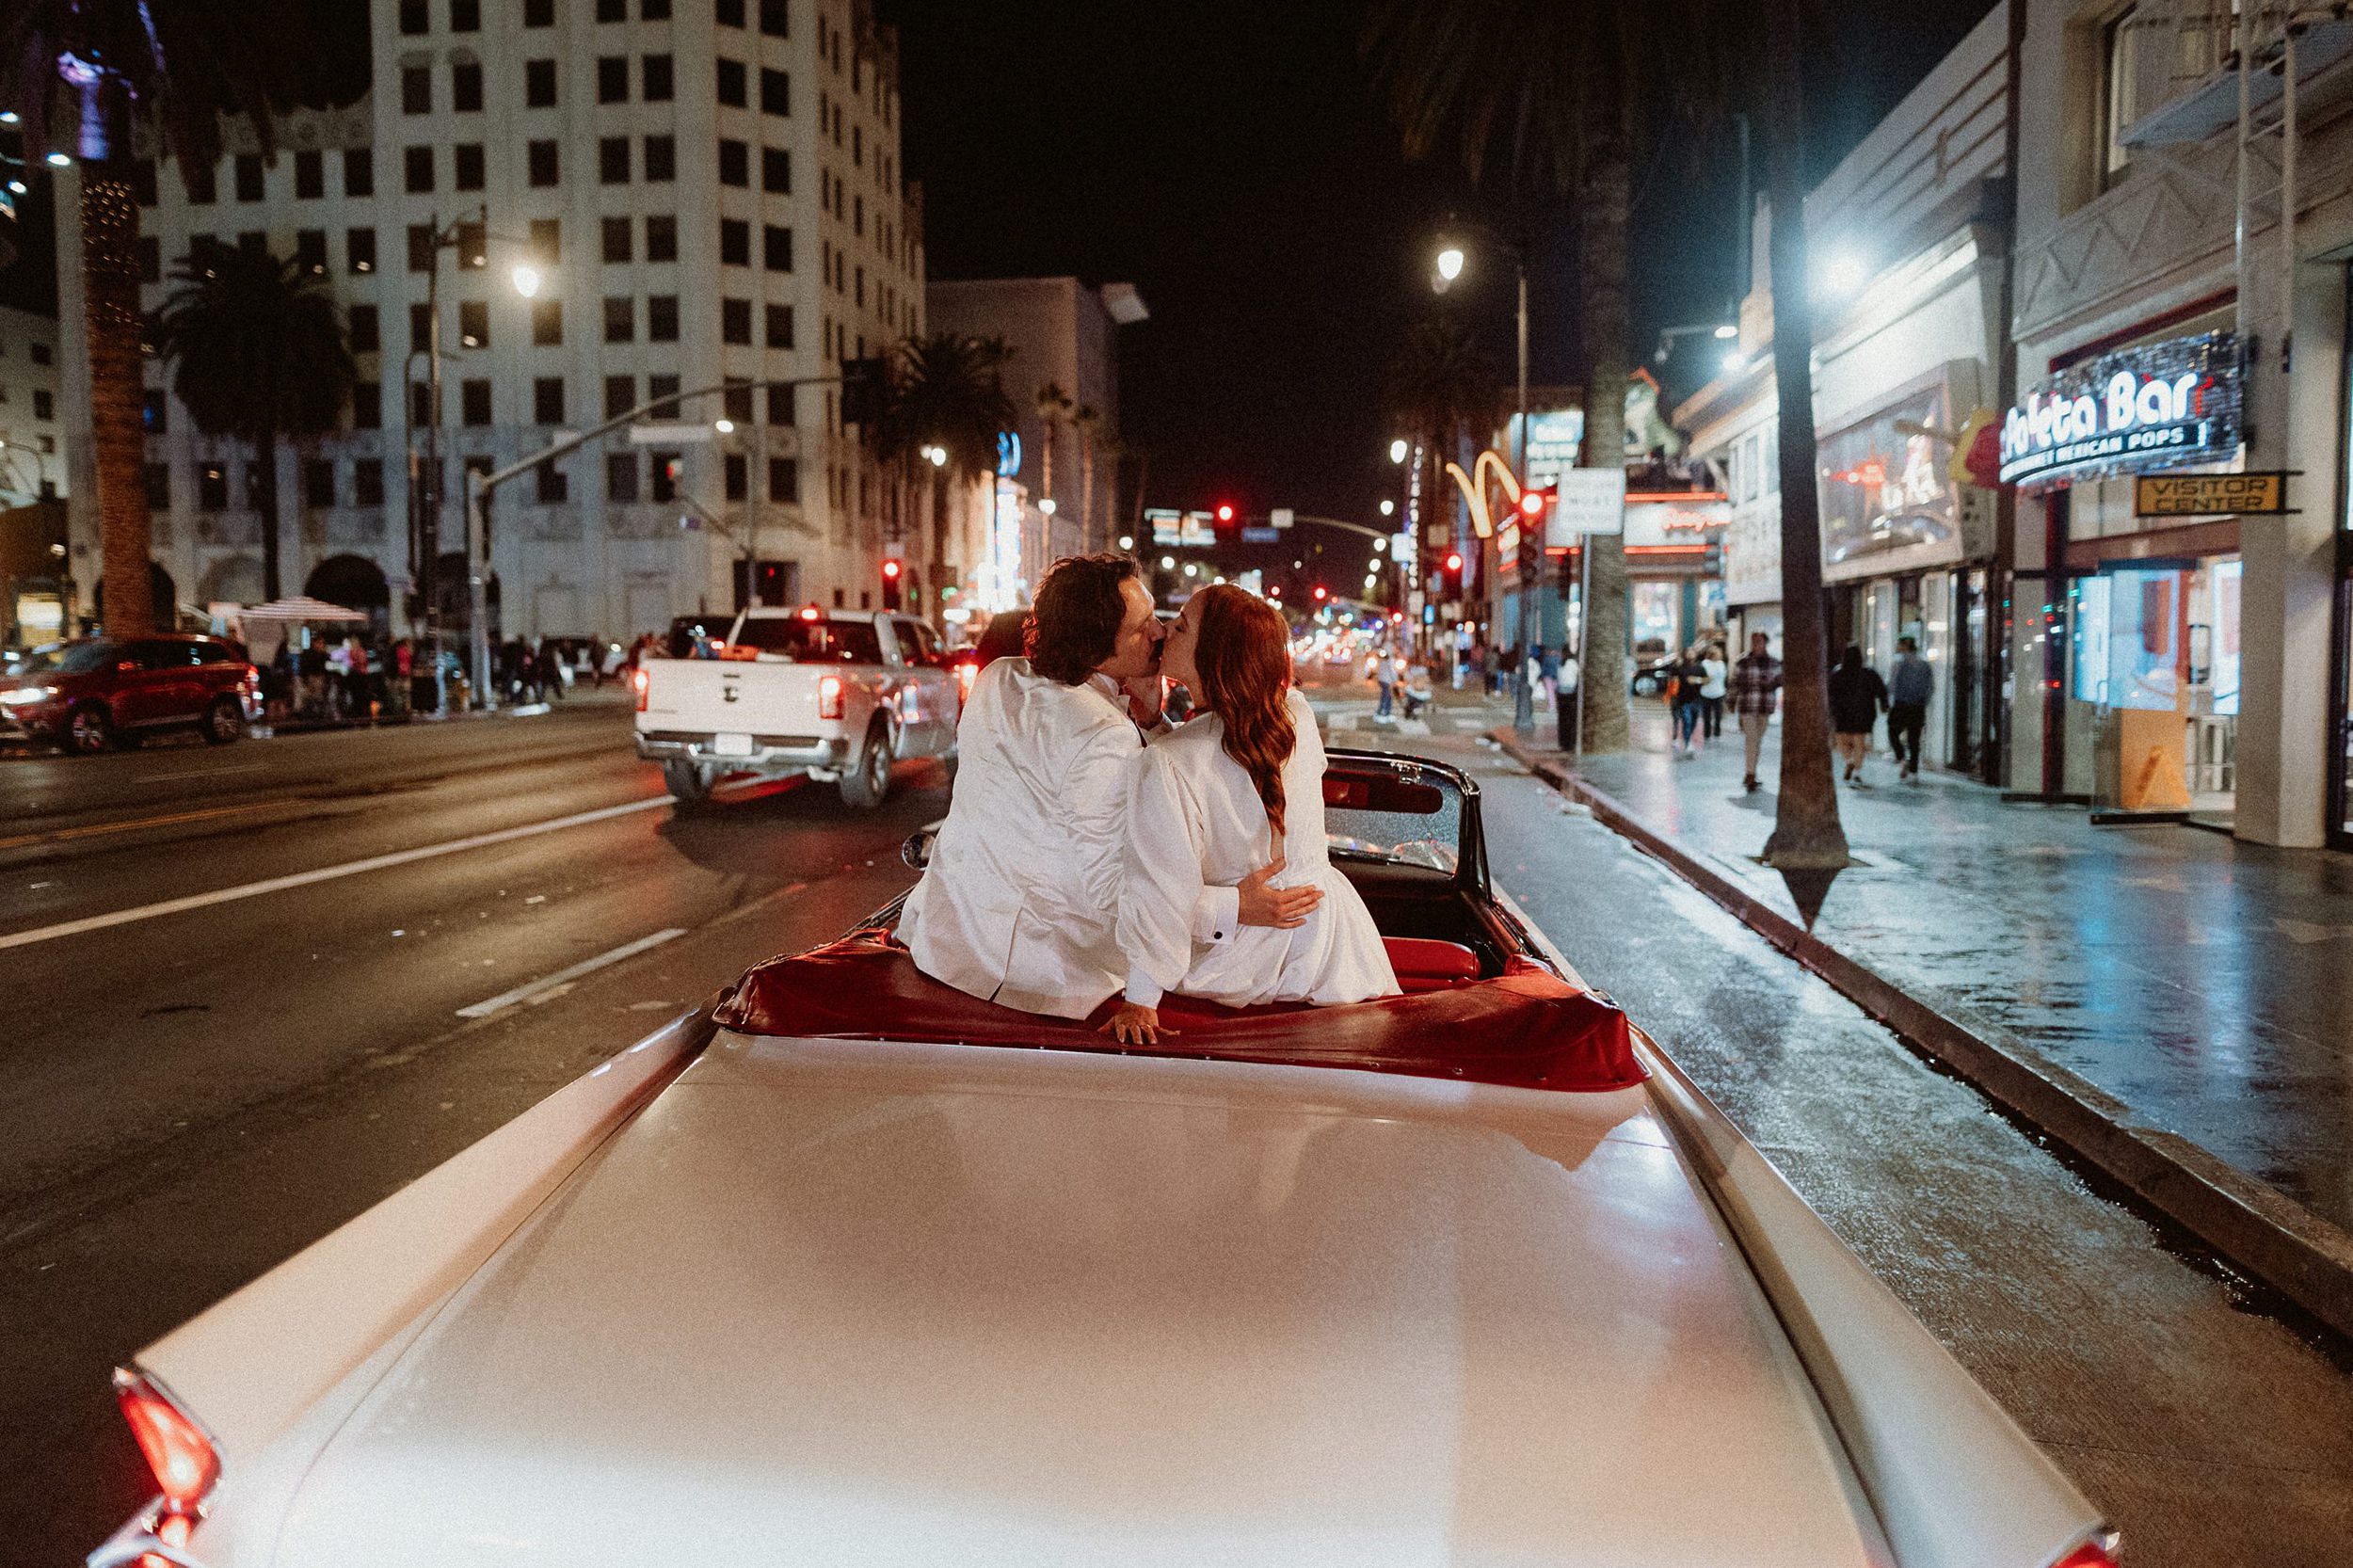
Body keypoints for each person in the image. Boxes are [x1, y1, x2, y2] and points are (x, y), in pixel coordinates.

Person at [900, 554, 1318, 1019]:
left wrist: (1147, 717)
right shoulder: (1102, 734)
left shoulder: (997, 677)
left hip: (943, 939)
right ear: (1097, 647)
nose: (1159, 632)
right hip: (1030, 976)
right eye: (1142, 629)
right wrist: (1234, 906)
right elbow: (1113, 889)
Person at [1106, 584, 1398, 1044]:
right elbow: (1221, 765)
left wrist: (1140, 999)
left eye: (1180, 627)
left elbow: (1159, 887)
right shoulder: (1295, 716)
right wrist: (1155, 723)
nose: (1164, 633)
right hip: (1332, 952)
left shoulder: (1169, 764)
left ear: (1213, 655)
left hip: (1239, 968)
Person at [1829, 645, 1889, 786]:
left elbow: (1831, 693)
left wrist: (1831, 710)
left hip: (1843, 712)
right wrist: (1884, 705)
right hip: (1865, 712)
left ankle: (1849, 761)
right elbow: (1881, 690)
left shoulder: (1838, 673)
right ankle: (1857, 773)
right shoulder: (1869, 673)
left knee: (1841, 739)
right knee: (1859, 742)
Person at [1729, 632, 1782, 792]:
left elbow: (1780, 680)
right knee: (1751, 739)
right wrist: (1731, 701)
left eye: (1760, 642)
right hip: (1747, 706)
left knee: (1757, 740)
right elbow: (1734, 683)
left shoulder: (1773, 663)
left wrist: (1772, 683)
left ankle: (1752, 772)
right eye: (1754, 642)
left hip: (1764, 707)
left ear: (1765, 643)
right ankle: (1750, 773)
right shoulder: (1743, 661)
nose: (1757, 645)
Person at [1888, 635, 1933, 780]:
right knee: (1914, 739)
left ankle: (1902, 759)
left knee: (1893, 732)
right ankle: (1914, 771)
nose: (1897, 647)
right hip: (1917, 707)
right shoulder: (1925, 665)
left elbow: (1892, 685)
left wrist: (1888, 696)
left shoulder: (1898, 664)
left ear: (1905, 647)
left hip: (1901, 704)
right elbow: (1930, 687)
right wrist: (1923, 702)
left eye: (1899, 645)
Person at [1671, 645, 1709, 757]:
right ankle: (1688, 744)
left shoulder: (1700, 668)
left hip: (1697, 699)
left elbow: (1707, 680)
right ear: (1684, 654)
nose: (1690, 654)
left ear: (1695, 654)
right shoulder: (1680, 667)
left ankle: (1687, 739)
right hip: (1683, 699)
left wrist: (1697, 680)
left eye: (1692, 652)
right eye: (1688, 652)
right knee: (1687, 721)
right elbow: (1672, 676)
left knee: (1693, 722)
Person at [1699, 643, 1728, 740]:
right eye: (1717, 654)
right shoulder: (1704, 663)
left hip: (1719, 692)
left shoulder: (1721, 664)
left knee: (1718, 714)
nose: (1719, 655)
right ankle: (1707, 733)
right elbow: (1703, 676)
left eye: (1719, 653)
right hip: (1706, 693)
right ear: (1711, 654)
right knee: (1706, 715)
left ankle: (1717, 732)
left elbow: (1723, 676)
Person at [1555, 642, 1580, 751]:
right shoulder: (1572, 663)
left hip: (1563, 693)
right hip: (1569, 694)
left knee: (1564, 720)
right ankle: (1568, 743)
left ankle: (1565, 743)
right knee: (1569, 720)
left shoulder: (1564, 663)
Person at [1371, 643, 1400, 718]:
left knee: (1385, 696)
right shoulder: (1391, 660)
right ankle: (1385, 713)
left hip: (1382, 680)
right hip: (1387, 680)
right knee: (1387, 697)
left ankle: (1380, 711)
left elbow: (1380, 670)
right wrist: (1395, 681)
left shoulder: (1383, 659)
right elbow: (1392, 671)